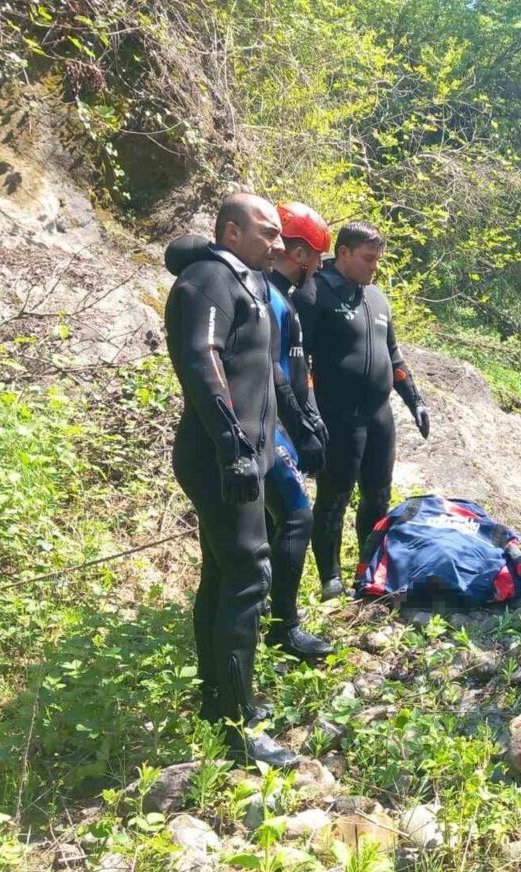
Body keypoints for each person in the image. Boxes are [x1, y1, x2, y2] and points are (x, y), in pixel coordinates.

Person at [163, 193, 298, 767]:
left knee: (224, 574)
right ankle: (237, 730)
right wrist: (233, 447)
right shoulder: (209, 279)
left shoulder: (248, 281)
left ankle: (219, 699)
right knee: (247, 575)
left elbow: (261, 371)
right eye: (267, 233)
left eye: (279, 235)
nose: (279, 244)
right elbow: (201, 358)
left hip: (245, 456)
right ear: (231, 231)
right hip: (221, 458)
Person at [299, 221, 429, 599]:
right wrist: (308, 414)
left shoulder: (376, 298)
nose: (375, 266)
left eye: (378, 260)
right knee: (334, 497)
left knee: (378, 496)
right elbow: (297, 360)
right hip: (337, 415)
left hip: (378, 415)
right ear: (343, 253)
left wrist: (415, 400)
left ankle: (367, 572)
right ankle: (330, 579)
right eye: (368, 259)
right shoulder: (314, 294)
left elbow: (394, 356)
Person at [262, 201, 334, 661]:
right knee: (295, 517)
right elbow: (274, 370)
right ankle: (282, 627)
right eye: (318, 259)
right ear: (302, 254)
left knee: (279, 520)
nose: (320, 269)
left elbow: (296, 367)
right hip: (264, 423)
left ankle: (270, 614)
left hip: (278, 421)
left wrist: (312, 418)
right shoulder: (266, 295)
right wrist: (301, 427)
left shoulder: (283, 296)